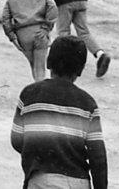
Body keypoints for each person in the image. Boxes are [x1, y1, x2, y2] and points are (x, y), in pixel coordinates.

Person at [11, 36, 108, 189]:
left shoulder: (30, 94)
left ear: (48, 62)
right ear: (80, 70)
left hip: (41, 180)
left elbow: (17, 140)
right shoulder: (87, 104)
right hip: (78, 182)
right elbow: (98, 156)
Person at [1, 0, 58, 82]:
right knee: (40, 66)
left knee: (33, 65)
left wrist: (12, 37)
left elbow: (5, 20)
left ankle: (38, 85)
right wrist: (46, 28)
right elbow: (53, 9)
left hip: (23, 35)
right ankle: (41, 87)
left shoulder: (11, 1)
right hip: (40, 32)